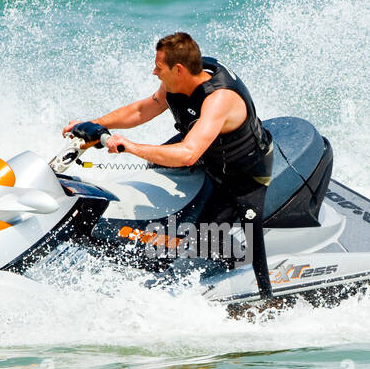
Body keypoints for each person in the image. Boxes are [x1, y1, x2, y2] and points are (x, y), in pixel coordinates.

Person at [62, 32, 274, 299]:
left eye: (158, 67)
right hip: (206, 154)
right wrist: (95, 126)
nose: (154, 72)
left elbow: (187, 153)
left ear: (179, 69)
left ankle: (267, 299)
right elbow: (145, 109)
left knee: (209, 238)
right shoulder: (180, 79)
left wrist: (132, 147)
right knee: (155, 168)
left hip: (243, 175)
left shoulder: (219, 100)